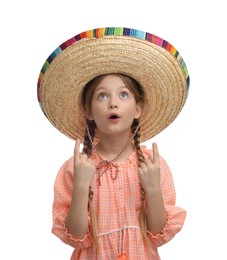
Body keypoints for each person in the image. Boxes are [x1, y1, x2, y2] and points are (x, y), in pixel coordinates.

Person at [37, 27, 190, 259]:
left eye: (123, 94)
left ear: (138, 109)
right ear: (89, 110)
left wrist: (152, 189)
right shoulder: (76, 168)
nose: (113, 104)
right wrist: (81, 185)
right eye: (102, 95)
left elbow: (158, 232)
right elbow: (75, 236)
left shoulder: (151, 166)